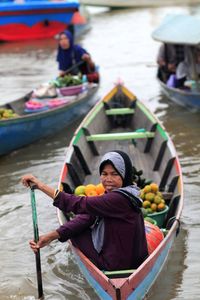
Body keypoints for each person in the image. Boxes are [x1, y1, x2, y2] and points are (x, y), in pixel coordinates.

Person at [21, 151, 148, 271]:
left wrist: (40, 185)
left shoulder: (118, 199)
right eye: (104, 174)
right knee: (79, 223)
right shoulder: (128, 193)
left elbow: (77, 204)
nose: (108, 179)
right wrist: (50, 237)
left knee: (75, 232)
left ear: (124, 175)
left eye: (114, 174)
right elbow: (88, 216)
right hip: (135, 260)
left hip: (118, 265)